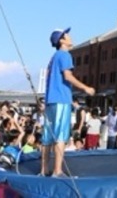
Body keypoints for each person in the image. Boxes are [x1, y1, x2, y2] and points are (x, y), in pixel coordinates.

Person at [41, 27, 95, 177]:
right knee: (61, 135)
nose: (70, 37)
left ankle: (44, 169)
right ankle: (57, 171)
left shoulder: (53, 58)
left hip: (50, 100)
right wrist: (86, 88)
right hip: (60, 100)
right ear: (62, 40)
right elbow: (68, 76)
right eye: (67, 35)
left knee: (47, 136)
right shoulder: (65, 55)